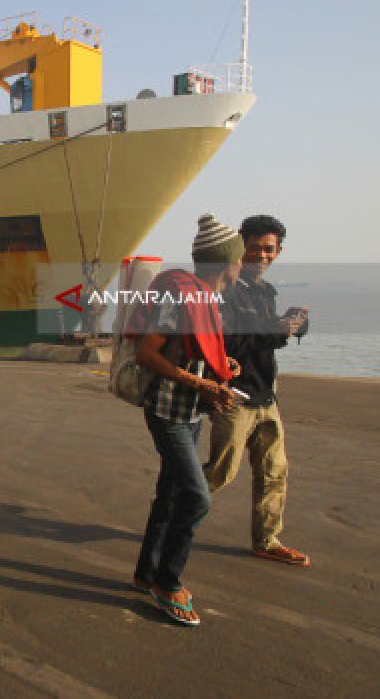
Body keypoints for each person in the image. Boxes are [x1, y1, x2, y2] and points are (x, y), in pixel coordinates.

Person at [130, 213, 243, 628]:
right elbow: (147, 353)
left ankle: (146, 573)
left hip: (191, 413)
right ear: (223, 263)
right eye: (237, 260)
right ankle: (168, 581)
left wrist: (220, 366)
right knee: (197, 498)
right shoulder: (182, 296)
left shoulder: (205, 299)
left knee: (170, 494)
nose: (240, 267)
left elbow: (190, 350)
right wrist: (200, 383)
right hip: (168, 413)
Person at [205, 215, 311, 566]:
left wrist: (296, 325)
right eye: (254, 249)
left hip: (267, 394)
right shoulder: (226, 289)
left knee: (274, 471)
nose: (261, 256)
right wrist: (278, 330)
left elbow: (265, 335)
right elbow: (231, 342)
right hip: (234, 396)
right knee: (221, 472)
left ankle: (266, 539)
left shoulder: (265, 292)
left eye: (269, 249)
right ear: (241, 248)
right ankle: (171, 516)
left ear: (278, 252)